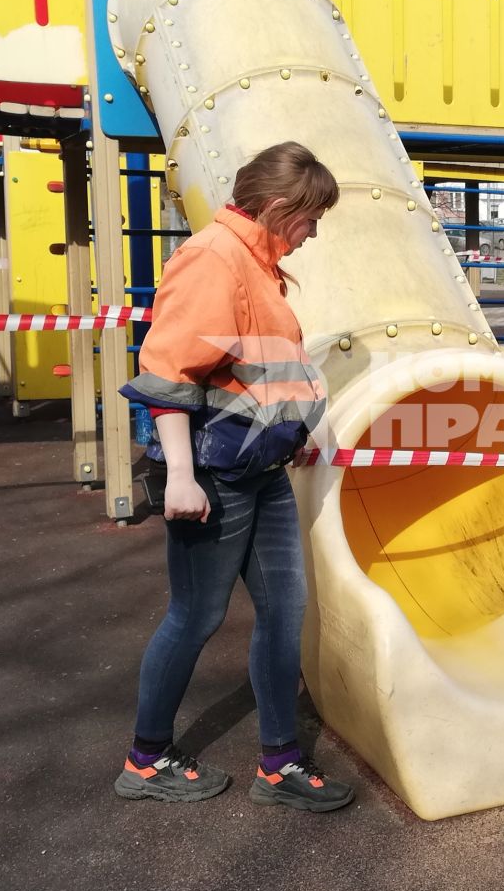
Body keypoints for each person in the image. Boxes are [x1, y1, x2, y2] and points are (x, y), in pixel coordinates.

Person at [113, 142, 354, 813]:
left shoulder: (258, 264)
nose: (313, 234)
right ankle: (146, 757)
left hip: (259, 466)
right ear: (279, 209)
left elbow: (260, 369)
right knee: (197, 615)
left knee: (285, 612)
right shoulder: (214, 259)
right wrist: (182, 477)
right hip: (213, 474)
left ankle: (278, 766)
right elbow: (169, 372)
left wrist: (295, 432)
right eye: (310, 220)